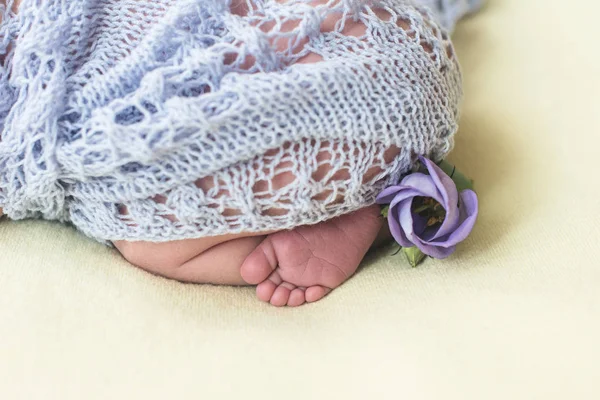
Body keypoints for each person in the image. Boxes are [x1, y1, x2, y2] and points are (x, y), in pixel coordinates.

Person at [0, 0, 479, 306]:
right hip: (398, 67)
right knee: (143, 232)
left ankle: (367, 205)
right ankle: (366, 202)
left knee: (150, 242)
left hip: (370, 72)